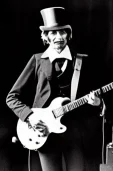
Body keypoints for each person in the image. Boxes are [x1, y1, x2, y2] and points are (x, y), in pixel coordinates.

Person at [6, 7, 104, 171]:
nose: (58, 37)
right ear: (45, 36)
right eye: (53, 33)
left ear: (69, 34)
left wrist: (97, 102)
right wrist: (30, 117)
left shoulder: (81, 61)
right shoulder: (37, 60)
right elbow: (12, 97)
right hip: (43, 130)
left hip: (74, 133)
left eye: (63, 32)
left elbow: (97, 95)